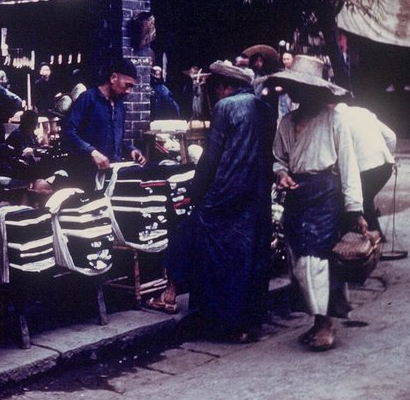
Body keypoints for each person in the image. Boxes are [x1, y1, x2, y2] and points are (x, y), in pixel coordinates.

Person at [147, 60, 275, 343]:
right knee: (248, 257)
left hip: (225, 194)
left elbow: (211, 157)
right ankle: (246, 323)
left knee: (212, 251)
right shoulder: (264, 109)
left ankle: (217, 321)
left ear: (225, 87)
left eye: (217, 88)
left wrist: (195, 189)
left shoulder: (226, 107)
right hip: (255, 195)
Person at [268, 54, 368, 351]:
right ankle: (316, 320)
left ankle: (325, 324)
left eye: (304, 88)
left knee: (316, 258)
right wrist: (281, 174)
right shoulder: (286, 122)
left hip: (326, 193)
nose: (297, 93)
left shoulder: (334, 119)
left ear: (317, 90)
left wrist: (356, 210)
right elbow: (277, 159)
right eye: (294, 88)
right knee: (298, 258)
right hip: (297, 194)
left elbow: (349, 165)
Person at [62, 58, 146, 189]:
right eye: (127, 85)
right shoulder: (88, 98)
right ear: (113, 77)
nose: (129, 91)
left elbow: (117, 139)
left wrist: (131, 150)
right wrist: (92, 152)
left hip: (111, 177)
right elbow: (68, 132)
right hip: (85, 176)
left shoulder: (120, 106)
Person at [333, 102, 397, 240]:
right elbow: (392, 137)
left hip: (364, 167)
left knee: (357, 200)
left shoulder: (336, 119)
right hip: (385, 165)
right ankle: (376, 236)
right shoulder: (364, 111)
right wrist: (389, 155)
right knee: (366, 199)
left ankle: (371, 236)